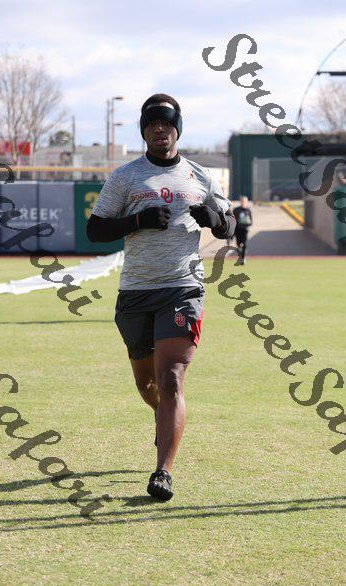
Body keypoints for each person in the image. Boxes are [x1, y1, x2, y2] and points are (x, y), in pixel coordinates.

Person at [86, 93, 235, 501]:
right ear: (144, 131)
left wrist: (216, 220)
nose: (159, 130)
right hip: (136, 290)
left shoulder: (200, 176)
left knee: (171, 378)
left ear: (177, 129)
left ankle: (163, 472)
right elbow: (95, 231)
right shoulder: (125, 177)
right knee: (147, 383)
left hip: (182, 288)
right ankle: (166, 418)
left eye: (166, 124)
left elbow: (229, 224)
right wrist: (137, 220)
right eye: (152, 124)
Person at [233, 195, 252, 265]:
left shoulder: (248, 210)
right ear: (240, 201)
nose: (243, 202)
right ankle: (240, 257)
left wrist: (247, 222)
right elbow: (232, 219)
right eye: (242, 201)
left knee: (244, 244)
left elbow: (251, 221)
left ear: (246, 202)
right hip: (238, 229)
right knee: (238, 244)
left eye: (245, 201)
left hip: (245, 230)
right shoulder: (236, 210)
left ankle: (243, 258)